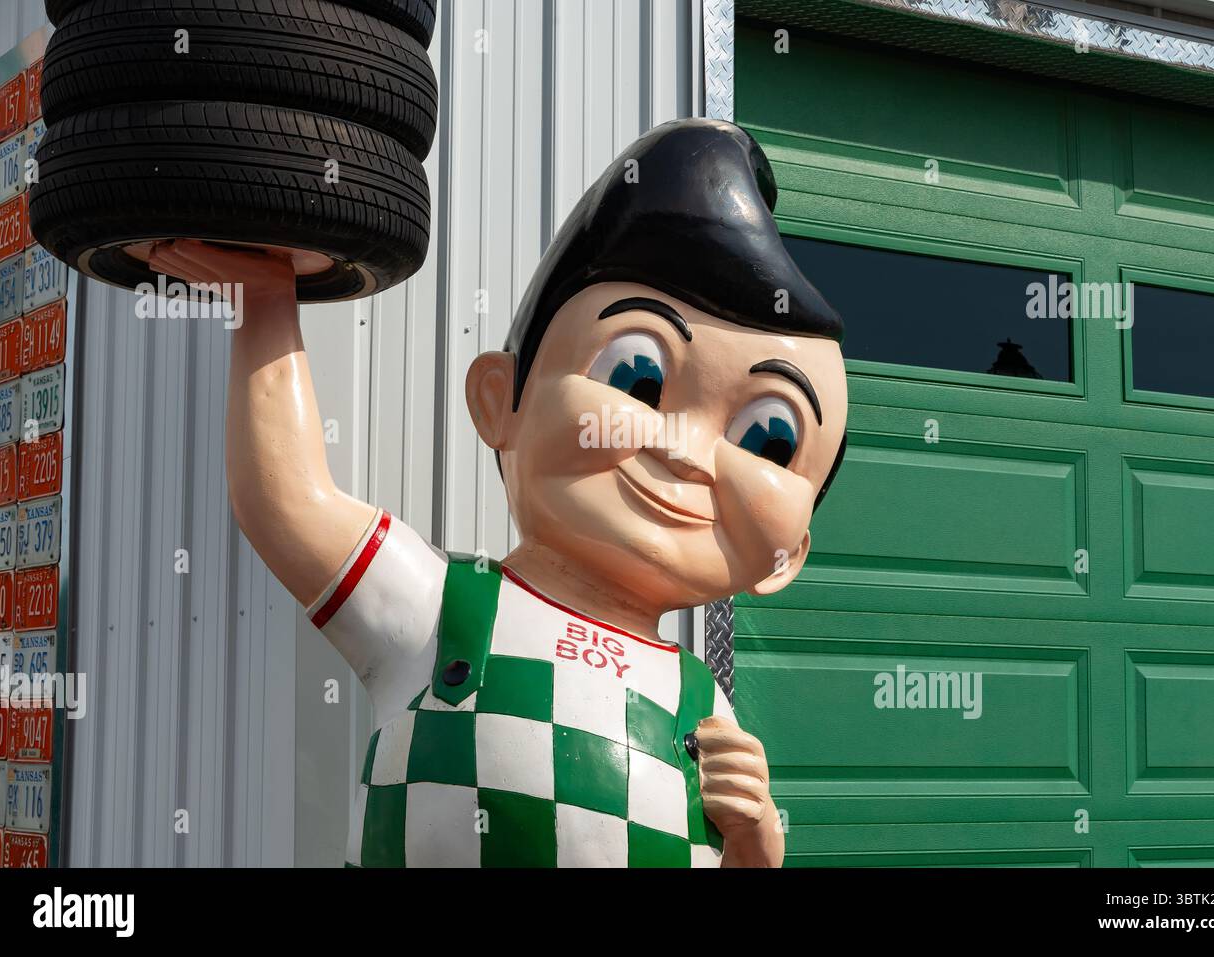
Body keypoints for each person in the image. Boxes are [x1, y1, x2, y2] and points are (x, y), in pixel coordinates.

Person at [148, 118, 848, 867]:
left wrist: (754, 839)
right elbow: (286, 499)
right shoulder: (441, 607)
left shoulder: (698, 700)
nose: (684, 448)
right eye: (637, 377)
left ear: (788, 553)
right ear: (499, 399)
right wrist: (265, 299)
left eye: (768, 438)